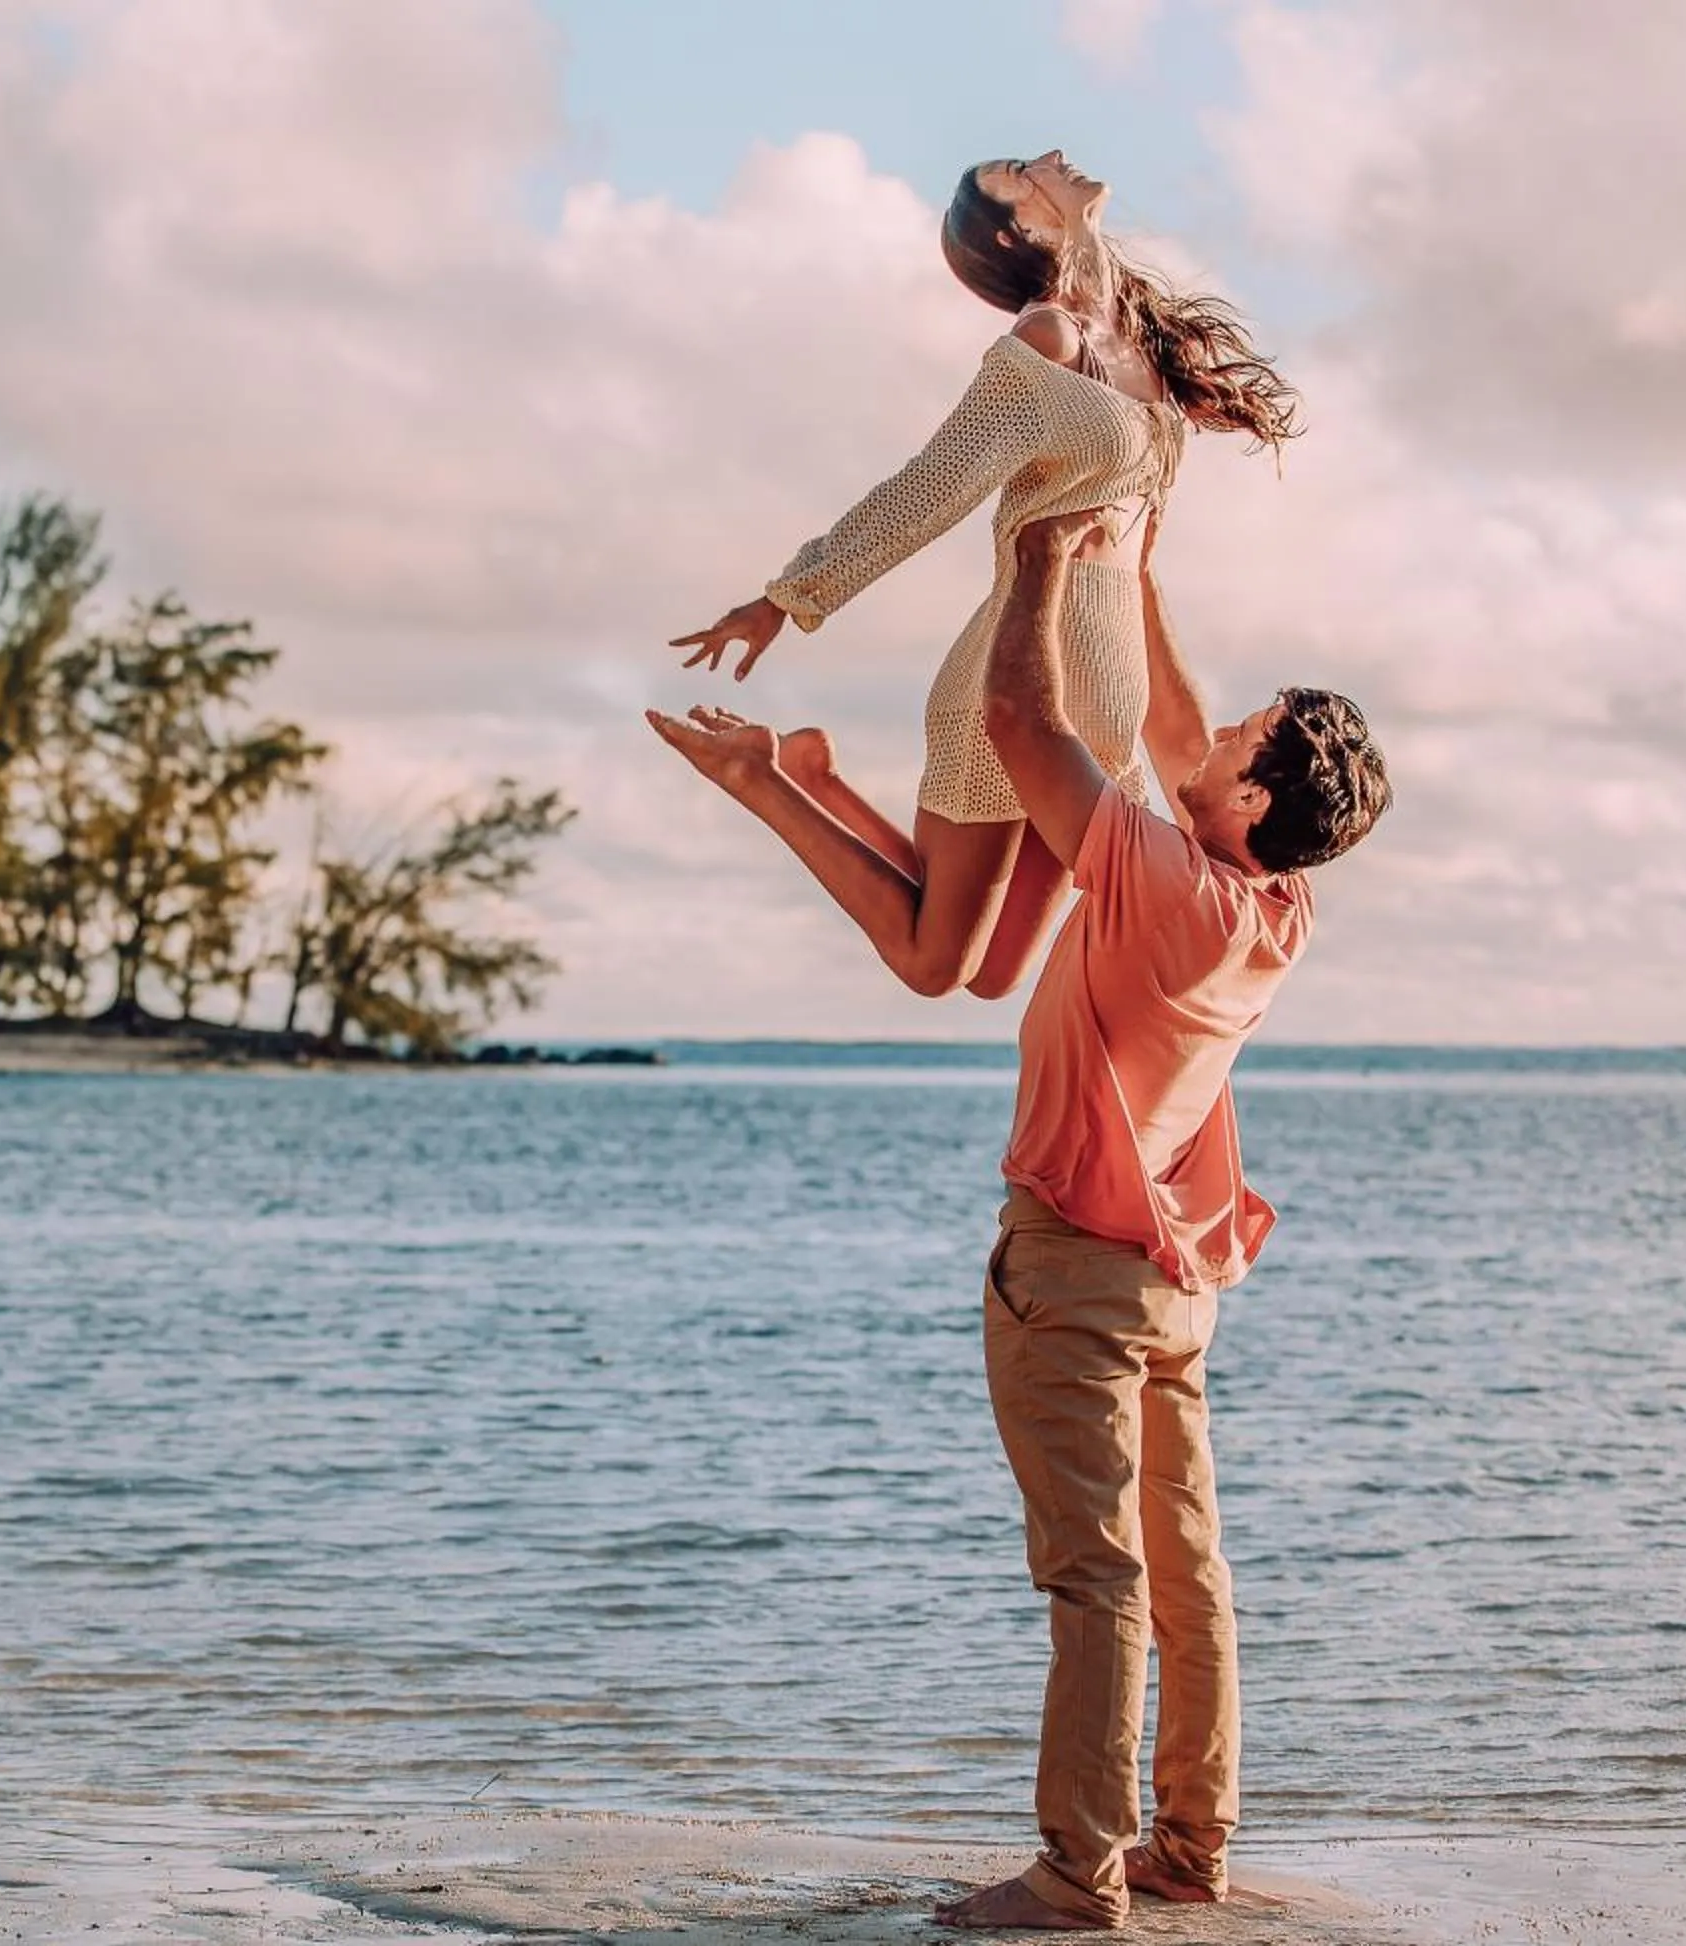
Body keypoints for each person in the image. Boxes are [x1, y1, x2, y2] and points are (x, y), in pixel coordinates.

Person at [648, 506, 1390, 1932]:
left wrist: (1042, 561)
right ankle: (1190, 1846)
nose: (1212, 736)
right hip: (1171, 1288)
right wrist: (1143, 576)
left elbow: (1019, 720)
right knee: (1186, 1577)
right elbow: (1177, 730)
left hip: (1078, 1279)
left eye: (1241, 738)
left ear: (1248, 804)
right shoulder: (1276, 905)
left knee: (1096, 1579)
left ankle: (1076, 1873)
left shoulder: (1164, 882)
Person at [666, 150, 1298, 1002]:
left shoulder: (1139, 344)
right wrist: (790, 597)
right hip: (1014, 677)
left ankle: (818, 777)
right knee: (936, 964)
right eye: (1019, 171)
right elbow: (930, 487)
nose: (1050, 161)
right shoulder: (1044, 344)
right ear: (1015, 230)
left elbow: (1138, 562)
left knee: (993, 975)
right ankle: (761, 776)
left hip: (1104, 688)